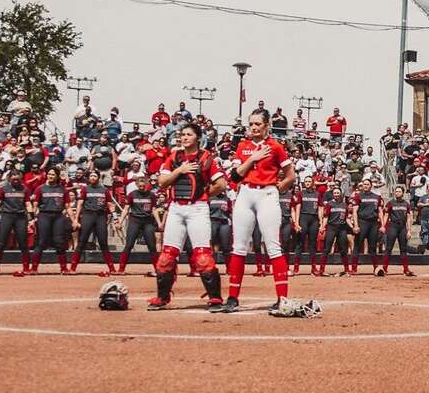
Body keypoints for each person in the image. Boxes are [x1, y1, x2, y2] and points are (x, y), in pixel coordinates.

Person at [212, 109, 296, 314]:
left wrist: (279, 188)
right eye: (251, 124)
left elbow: (290, 175)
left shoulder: (276, 147)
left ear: (267, 125)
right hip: (246, 194)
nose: (254, 128)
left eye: (258, 124)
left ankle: (282, 298)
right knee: (239, 247)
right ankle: (232, 298)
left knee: (273, 246)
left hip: (267, 194)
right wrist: (254, 158)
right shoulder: (243, 146)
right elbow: (235, 176)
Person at [151, 124, 227, 309]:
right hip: (176, 208)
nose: (184, 137)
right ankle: (162, 297)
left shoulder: (206, 158)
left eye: (189, 134)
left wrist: (203, 194)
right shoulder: (174, 157)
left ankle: (215, 297)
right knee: (167, 256)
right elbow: (162, 182)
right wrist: (180, 170)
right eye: (182, 134)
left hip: (197, 209)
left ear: (197, 138)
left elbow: (221, 184)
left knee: (202, 257)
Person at [28, 167, 73, 275]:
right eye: (49, 174)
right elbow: (35, 206)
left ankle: (63, 268)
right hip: (44, 215)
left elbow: (68, 206)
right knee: (41, 242)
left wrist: (74, 220)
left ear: (57, 176)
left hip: (58, 216)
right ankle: (34, 268)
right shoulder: (40, 189)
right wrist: (33, 218)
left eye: (53, 174)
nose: (50, 176)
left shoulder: (63, 189)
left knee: (59, 242)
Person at [70, 170, 115, 276]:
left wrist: (115, 218)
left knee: (103, 243)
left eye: (95, 176)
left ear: (98, 177)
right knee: (82, 241)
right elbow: (80, 204)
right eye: (91, 176)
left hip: (100, 216)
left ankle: (112, 268)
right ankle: (72, 268)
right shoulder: (85, 189)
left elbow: (110, 205)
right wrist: (76, 219)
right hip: (88, 215)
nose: (93, 178)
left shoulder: (105, 190)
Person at [117, 174, 158, 275]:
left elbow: (154, 210)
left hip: (147, 221)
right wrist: (120, 221)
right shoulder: (132, 194)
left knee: (152, 246)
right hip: (135, 220)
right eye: (140, 185)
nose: (142, 186)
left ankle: (158, 269)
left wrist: (159, 222)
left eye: (143, 185)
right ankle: (121, 269)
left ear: (147, 184)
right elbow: (126, 209)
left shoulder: (151, 195)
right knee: (129, 245)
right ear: (136, 184)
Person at [348, 178, 384, 275]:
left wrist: (383, 225)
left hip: (373, 223)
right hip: (362, 222)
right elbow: (354, 211)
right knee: (357, 246)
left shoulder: (377, 197)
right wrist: (355, 225)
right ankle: (354, 268)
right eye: (364, 184)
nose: (366, 186)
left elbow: (380, 212)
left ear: (371, 185)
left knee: (373, 247)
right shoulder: (358, 196)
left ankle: (376, 268)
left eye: (367, 184)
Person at [380, 185, 415, 276]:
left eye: (399, 191)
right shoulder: (390, 203)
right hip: (393, 226)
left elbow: (408, 218)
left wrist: (409, 230)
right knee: (388, 248)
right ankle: (384, 269)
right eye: (396, 191)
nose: (397, 193)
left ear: (403, 193)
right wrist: (383, 226)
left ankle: (406, 269)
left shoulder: (406, 204)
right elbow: (386, 215)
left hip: (402, 227)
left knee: (403, 249)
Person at [319, 187, 349, 275]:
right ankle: (321, 270)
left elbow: (346, 218)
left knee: (343, 250)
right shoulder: (329, 204)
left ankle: (347, 270)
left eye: (337, 193)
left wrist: (353, 226)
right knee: (326, 249)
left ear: (341, 194)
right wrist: (322, 227)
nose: (336, 195)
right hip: (331, 228)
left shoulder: (344, 205)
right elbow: (326, 217)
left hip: (342, 229)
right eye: (334, 193)